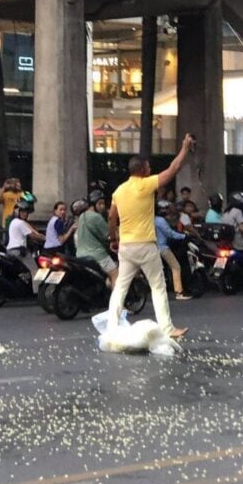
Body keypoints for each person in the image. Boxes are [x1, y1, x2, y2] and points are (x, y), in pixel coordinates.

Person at [107, 133, 196, 340]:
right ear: (141, 170)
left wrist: (113, 239)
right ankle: (167, 329)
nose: (150, 170)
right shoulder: (145, 184)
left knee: (120, 288)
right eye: (147, 167)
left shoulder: (119, 191)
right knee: (158, 287)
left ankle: (112, 328)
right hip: (146, 245)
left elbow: (112, 218)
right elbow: (173, 169)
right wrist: (184, 148)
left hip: (126, 247)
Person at [75, 190, 117, 286]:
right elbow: (109, 235)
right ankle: (116, 301)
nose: (102, 206)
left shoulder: (82, 216)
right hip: (97, 255)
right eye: (100, 203)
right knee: (115, 275)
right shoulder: (96, 217)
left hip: (80, 255)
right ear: (93, 204)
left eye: (103, 203)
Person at [155, 200, 191, 300]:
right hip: (163, 248)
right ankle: (179, 292)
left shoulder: (151, 220)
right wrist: (183, 236)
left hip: (153, 248)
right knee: (176, 267)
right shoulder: (160, 221)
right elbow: (170, 233)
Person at [6, 200, 45, 288]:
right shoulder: (21, 223)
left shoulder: (13, 222)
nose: (25, 214)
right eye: (23, 212)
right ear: (18, 212)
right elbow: (33, 236)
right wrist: (45, 238)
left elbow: (32, 231)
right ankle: (38, 292)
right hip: (19, 251)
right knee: (35, 270)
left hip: (10, 250)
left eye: (26, 212)